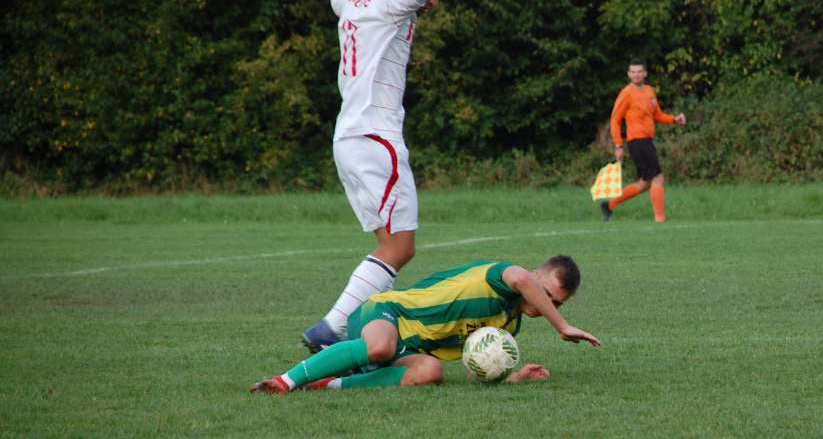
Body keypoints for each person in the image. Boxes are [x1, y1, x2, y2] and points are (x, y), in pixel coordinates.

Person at [301, 0, 455, 353]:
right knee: (401, 246)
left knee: (392, 244)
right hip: (376, 138)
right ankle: (331, 328)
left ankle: (339, 328)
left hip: (351, 138)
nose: (433, 0)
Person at [252, 255, 601, 393]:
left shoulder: (506, 327)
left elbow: (473, 368)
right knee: (381, 346)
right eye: (547, 294)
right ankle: (285, 381)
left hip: (413, 348)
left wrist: (514, 375)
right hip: (387, 313)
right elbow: (520, 278)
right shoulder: (501, 276)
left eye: (556, 304)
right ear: (534, 275)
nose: (547, 305)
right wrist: (562, 326)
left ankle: (328, 384)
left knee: (430, 372)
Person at [601, 59, 686, 223]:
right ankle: (660, 220)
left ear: (645, 73)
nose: (636, 74)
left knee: (644, 184)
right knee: (658, 178)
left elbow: (657, 115)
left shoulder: (650, 91)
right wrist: (618, 145)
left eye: (639, 71)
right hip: (637, 141)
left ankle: (609, 205)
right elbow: (615, 120)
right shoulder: (626, 93)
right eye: (633, 72)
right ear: (629, 74)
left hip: (647, 140)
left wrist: (674, 119)